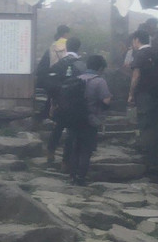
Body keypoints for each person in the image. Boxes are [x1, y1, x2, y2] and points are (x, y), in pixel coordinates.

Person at [67, 54, 112, 185]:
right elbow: (106, 100)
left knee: (75, 147)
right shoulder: (99, 81)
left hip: (74, 118)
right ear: (100, 68)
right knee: (86, 150)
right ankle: (81, 177)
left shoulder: (77, 79)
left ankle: (72, 175)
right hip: (90, 119)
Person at [45, 37, 86, 165]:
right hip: (76, 104)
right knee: (72, 132)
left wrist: (52, 103)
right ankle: (66, 161)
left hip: (60, 102)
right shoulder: (82, 65)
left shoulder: (58, 64)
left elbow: (51, 85)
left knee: (57, 128)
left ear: (66, 47)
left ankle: (50, 153)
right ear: (79, 48)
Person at [127, 28, 158, 168]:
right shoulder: (157, 53)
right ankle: (156, 156)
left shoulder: (141, 54)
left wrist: (131, 94)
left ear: (136, 40)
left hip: (144, 94)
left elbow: (136, 76)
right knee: (155, 123)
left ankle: (147, 158)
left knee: (145, 123)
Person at [36, 25, 72, 124]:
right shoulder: (66, 44)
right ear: (66, 33)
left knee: (51, 98)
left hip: (50, 76)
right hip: (62, 75)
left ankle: (47, 116)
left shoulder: (53, 45)